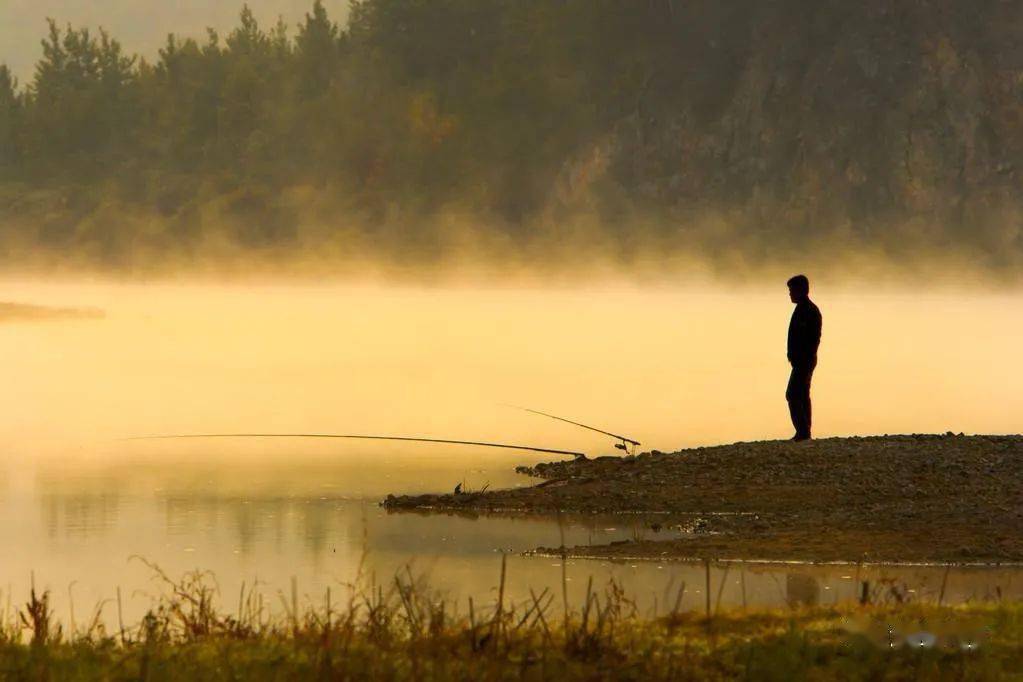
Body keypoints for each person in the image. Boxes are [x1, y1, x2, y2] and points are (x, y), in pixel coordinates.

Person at [785, 275, 822, 441]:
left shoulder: (809, 311)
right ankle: (804, 431)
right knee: (802, 394)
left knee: (793, 394)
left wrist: (803, 358)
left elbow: (813, 339)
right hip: (802, 361)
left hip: (804, 361)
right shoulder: (802, 309)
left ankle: (803, 431)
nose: (790, 294)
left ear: (801, 290)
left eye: (792, 290)